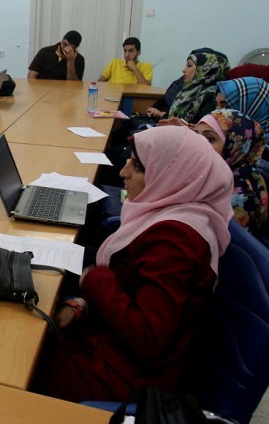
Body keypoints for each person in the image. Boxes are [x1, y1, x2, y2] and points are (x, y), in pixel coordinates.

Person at [36, 126, 233, 402]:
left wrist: (96, 279)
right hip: (113, 342)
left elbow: (147, 336)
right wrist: (83, 304)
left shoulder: (175, 241)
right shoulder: (171, 211)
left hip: (130, 376)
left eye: (138, 167)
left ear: (173, 176)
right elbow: (134, 286)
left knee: (19, 361)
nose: (123, 172)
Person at [196, 109, 268, 234]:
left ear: (236, 145)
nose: (197, 143)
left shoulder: (239, 198)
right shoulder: (216, 174)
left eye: (209, 139)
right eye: (196, 135)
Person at [157, 48, 230, 126]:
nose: (184, 70)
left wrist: (184, 125)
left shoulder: (212, 97)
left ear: (204, 69)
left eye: (189, 65)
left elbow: (204, 128)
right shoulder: (188, 91)